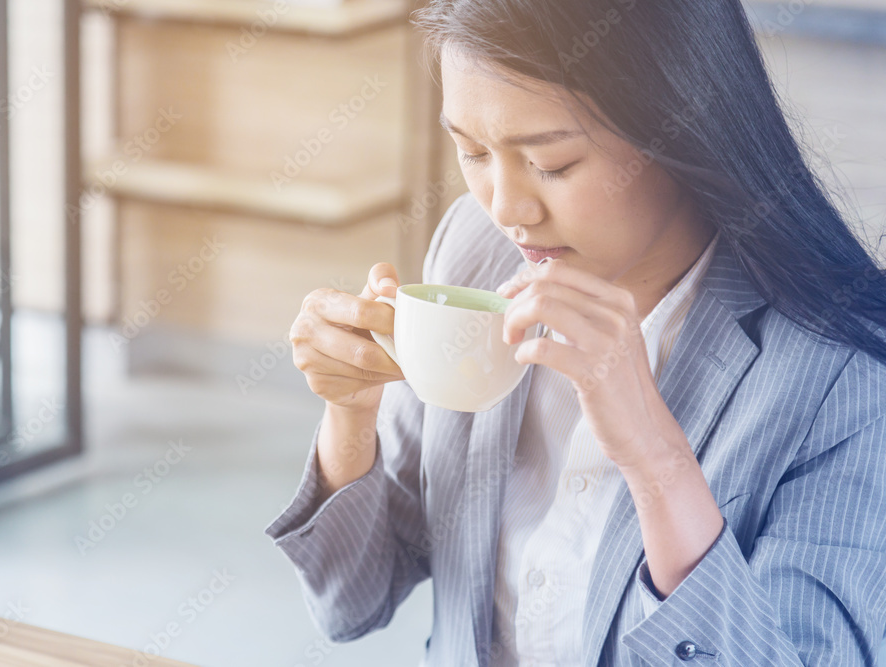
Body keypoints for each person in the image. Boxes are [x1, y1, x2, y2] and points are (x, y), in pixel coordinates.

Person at [266, 0, 886, 664]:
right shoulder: (473, 254)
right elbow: (351, 602)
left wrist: (656, 460)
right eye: (471, 151)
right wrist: (352, 414)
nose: (506, 210)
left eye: (552, 164)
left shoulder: (842, 375)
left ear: (681, 130)